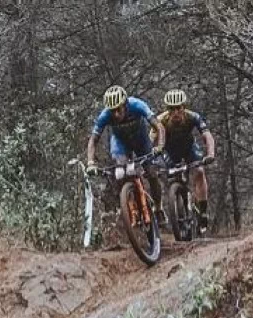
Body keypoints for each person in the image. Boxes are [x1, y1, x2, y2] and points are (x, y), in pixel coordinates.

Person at [85, 85, 167, 220]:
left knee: (152, 173)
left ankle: (158, 208)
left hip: (141, 140)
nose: (116, 114)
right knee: (120, 172)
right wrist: (90, 162)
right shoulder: (105, 115)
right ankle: (129, 202)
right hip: (120, 143)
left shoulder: (137, 105)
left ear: (125, 104)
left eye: (118, 109)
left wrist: (160, 146)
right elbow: (93, 140)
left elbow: (159, 126)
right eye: (112, 111)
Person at [156, 89, 216, 230]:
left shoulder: (192, 117)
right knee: (163, 175)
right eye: (172, 109)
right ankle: (173, 205)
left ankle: (203, 210)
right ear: (167, 109)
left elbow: (207, 136)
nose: (176, 112)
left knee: (199, 171)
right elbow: (150, 140)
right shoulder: (160, 120)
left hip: (189, 149)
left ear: (184, 107)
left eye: (178, 108)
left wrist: (210, 153)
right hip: (170, 151)